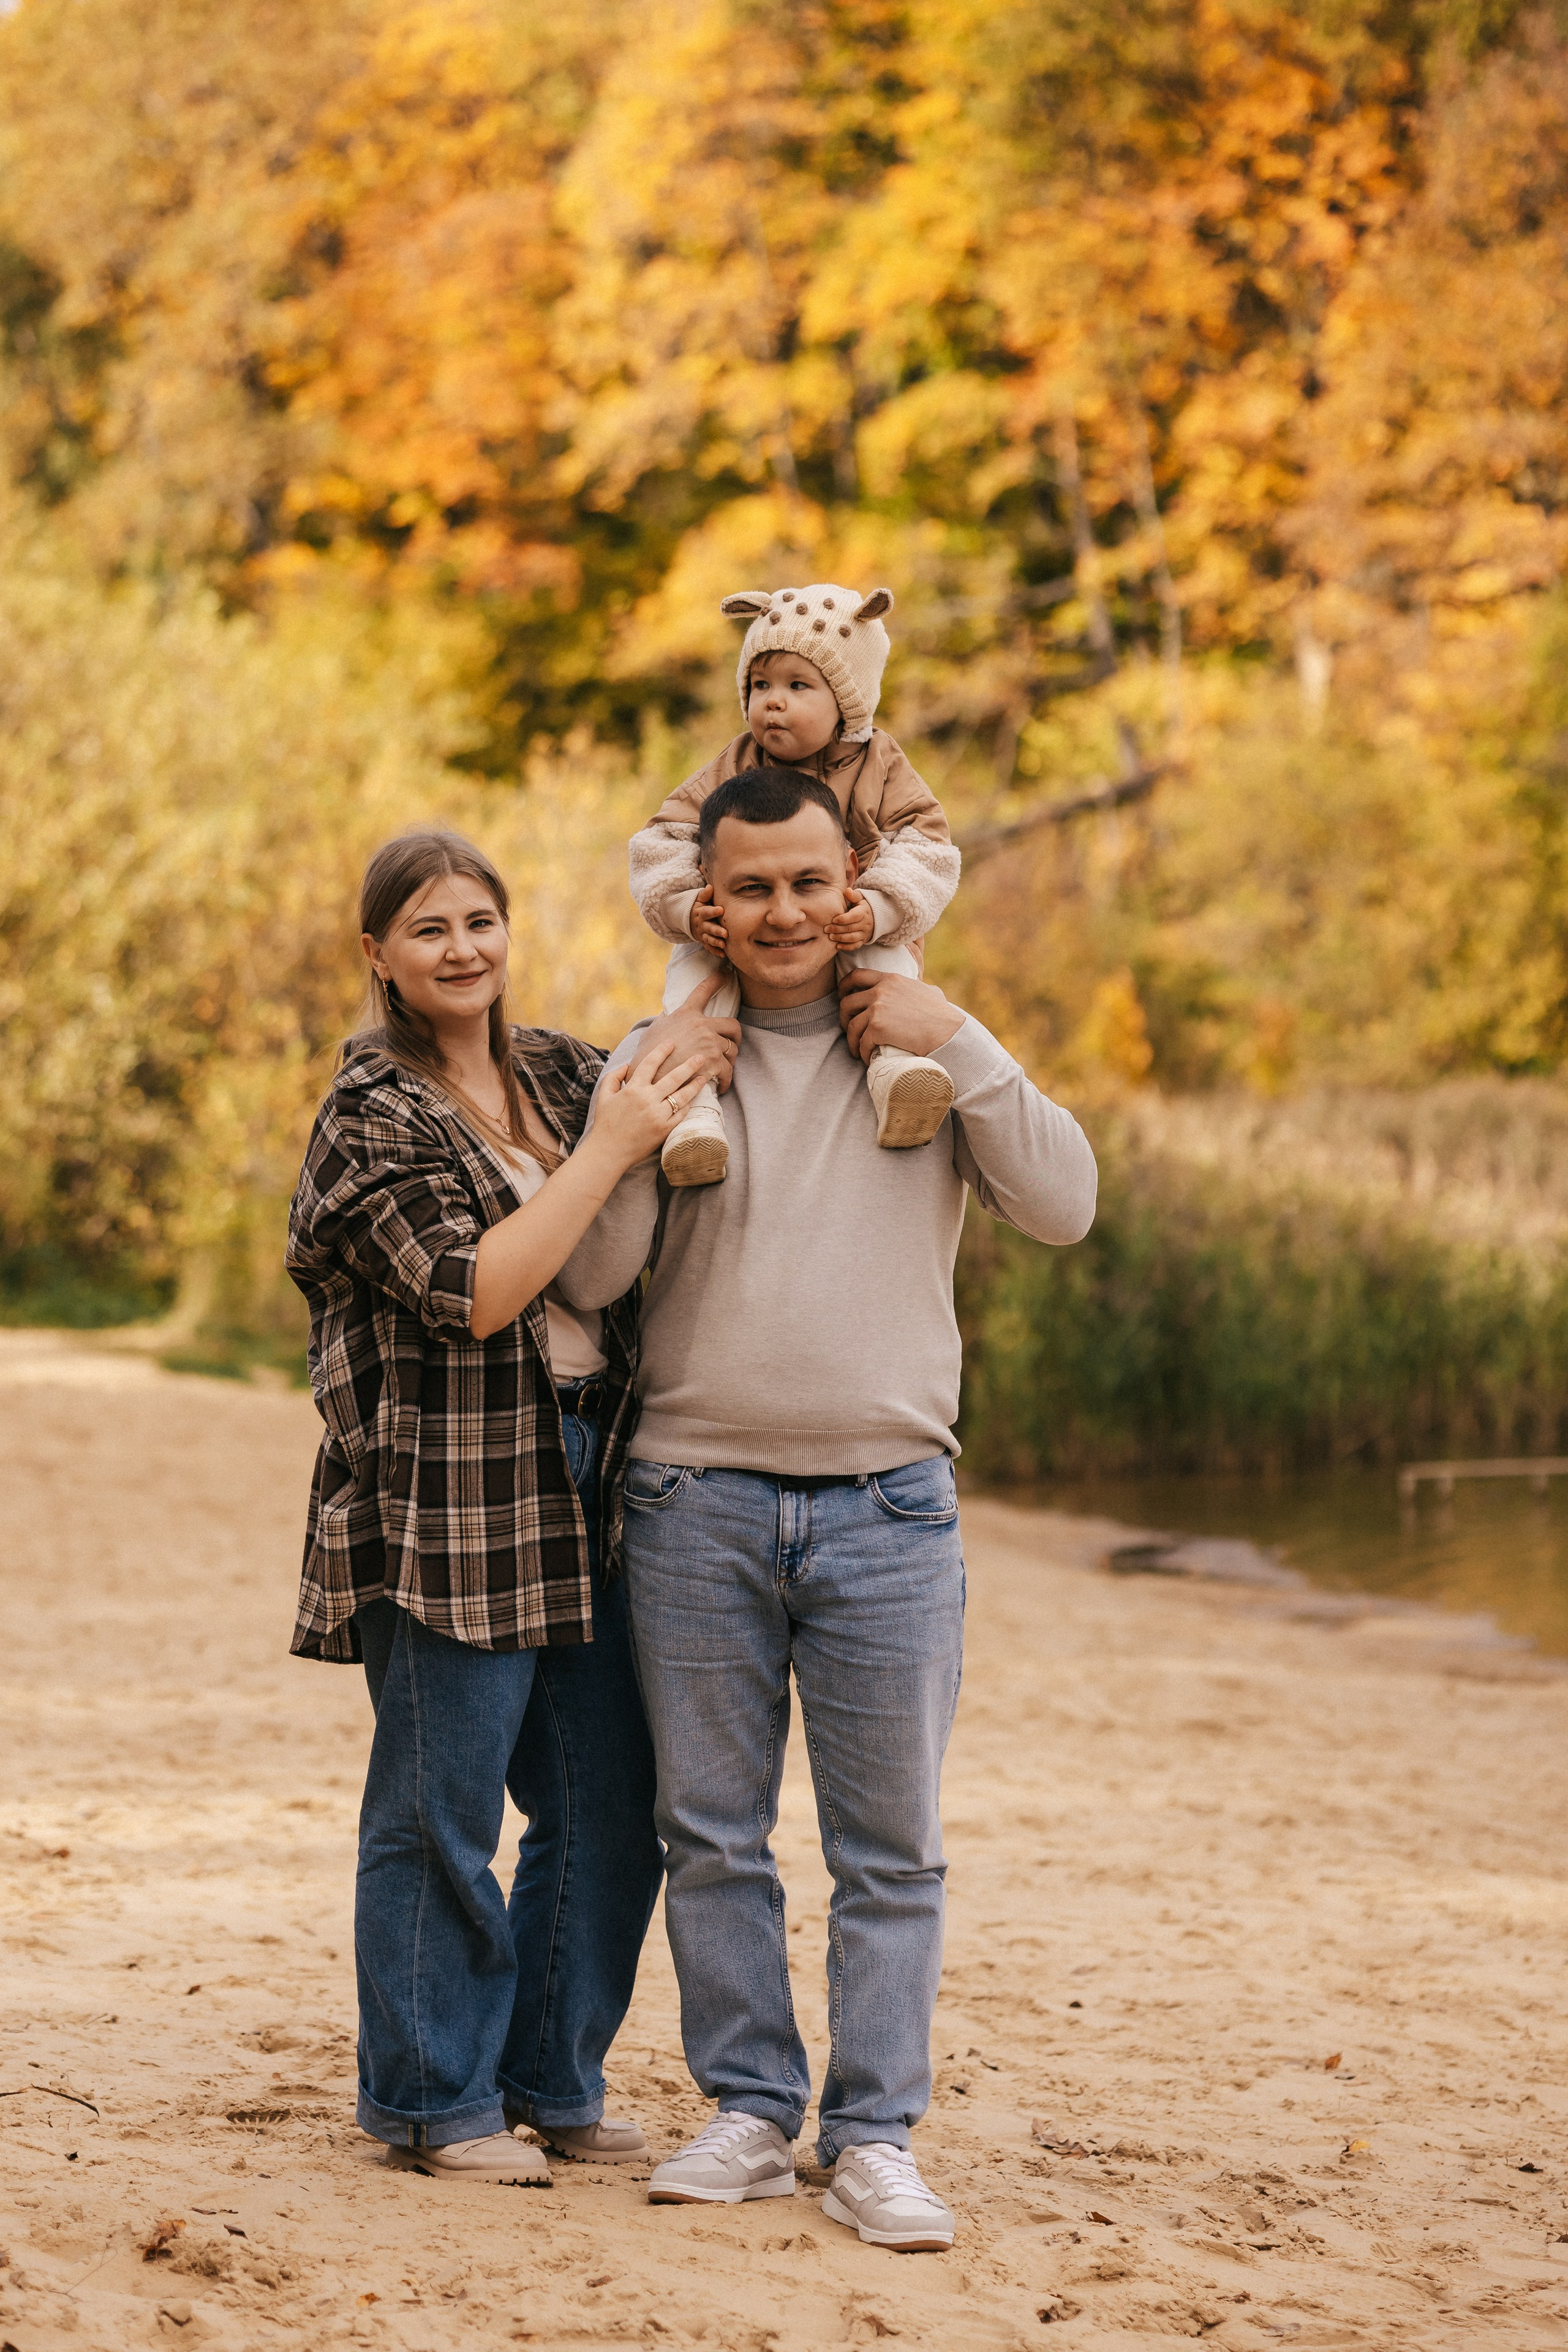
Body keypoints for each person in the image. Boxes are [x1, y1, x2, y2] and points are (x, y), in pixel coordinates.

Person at [557, 771, 1097, 2250]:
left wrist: (966, 1044)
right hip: (692, 1500)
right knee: (709, 1830)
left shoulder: (923, 1046)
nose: (784, 912)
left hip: (888, 1507)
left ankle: (873, 2133)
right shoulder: (666, 1051)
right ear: (706, 902)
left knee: (888, 1847)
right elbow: (594, 1282)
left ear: (853, 878)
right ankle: (744, 2104)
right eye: (753, 887)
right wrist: (632, 1110)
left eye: (810, 880)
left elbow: (1064, 1203)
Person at [285, 827, 736, 2184]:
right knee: (441, 1812)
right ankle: (431, 2099)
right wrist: (606, 1149)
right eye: (428, 929)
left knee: (609, 1801)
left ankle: (550, 2076)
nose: (462, 948)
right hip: (451, 1490)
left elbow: (692, 1033)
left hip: (597, 1470)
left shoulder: (553, 1067)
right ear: (380, 956)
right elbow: (480, 1290)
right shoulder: (372, 1112)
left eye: (479, 919)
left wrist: (739, 925)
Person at [628, 581, 962, 1186]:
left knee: (887, 969)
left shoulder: (879, 763)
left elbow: (928, 847)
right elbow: (661, 840)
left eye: (796, 686)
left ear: (847, 700)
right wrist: (685, 906)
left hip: (850, 917)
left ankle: (895, 1070)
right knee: (692, 983)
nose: (772, 703)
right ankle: (693, 1113)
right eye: (760, 686)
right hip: (740, 933)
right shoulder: (735, 764)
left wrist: (881, 905)